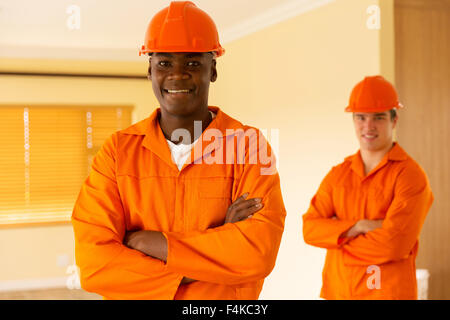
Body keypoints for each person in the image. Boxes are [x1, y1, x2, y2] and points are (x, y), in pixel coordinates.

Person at [71, 1, 286, 300]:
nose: (178, 74)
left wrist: (151, 244)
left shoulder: (248, 146)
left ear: (213, 70)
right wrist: (217, 250)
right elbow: (95, 266)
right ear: (150, 71)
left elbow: (257, 254)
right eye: (164, 63)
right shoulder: (118, 152)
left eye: (193, 62)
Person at [302, 75, 434, 299]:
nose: (368, 126)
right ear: (353, 120)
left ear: (394, 120)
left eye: (378, 118)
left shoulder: (410, 176)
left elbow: (394, 244)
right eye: (360, 117)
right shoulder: (338, 175)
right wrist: (360, 226)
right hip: (339, 293)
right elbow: (310, 230)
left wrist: (339, 241)